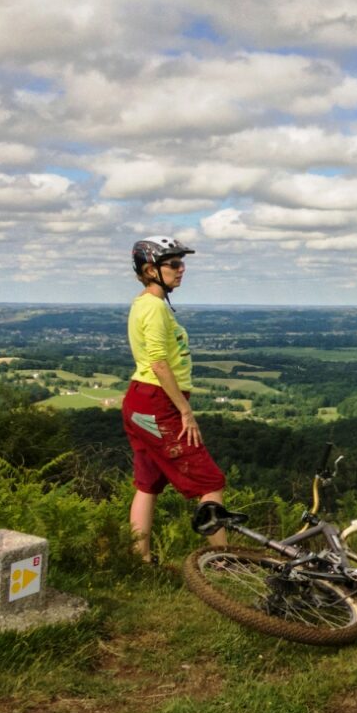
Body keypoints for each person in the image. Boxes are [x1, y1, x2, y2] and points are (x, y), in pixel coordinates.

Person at [121, 236, 227, 563]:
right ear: (151, 269)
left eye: (182, 263)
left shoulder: (145, 303)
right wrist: (185, 411)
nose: (182, 270)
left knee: (148, 483)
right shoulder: (153, 307)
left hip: (141, 402)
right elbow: (158, 362)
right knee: (210, 483)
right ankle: (224, 561)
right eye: (174, 264)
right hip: (159, 403)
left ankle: (140, 559)